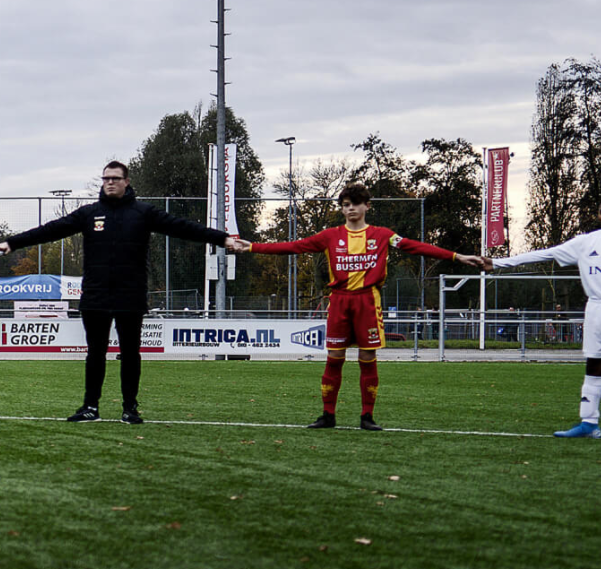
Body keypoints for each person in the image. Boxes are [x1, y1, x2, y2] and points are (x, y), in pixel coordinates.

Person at [0, 160, 238, 424]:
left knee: (130, 353)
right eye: (105, 178)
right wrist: (13, 242)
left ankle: (130, 408)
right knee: (95, 353)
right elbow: (50, 230)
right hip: (95, 296)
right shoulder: (89, 214)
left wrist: (222, 239)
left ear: (126, 181)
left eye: (115, 178)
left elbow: (182, 227)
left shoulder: (143, 213)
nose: (109, 182)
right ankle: (90, 407)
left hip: (130, 296)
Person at [233, 183, 483, 430]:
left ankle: (367, 417)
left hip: (367, 301)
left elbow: (416, 247)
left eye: (355, 204)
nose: (351, 209)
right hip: (339, 301)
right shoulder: (330, 236)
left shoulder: (383, 235)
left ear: (367, 206)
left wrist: (457, 256)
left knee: (367, 357)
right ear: (342, 209)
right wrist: (254, 246)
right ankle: (327, 415)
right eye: (345, 205)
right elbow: (295, 246)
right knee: (334, 358)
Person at [488, 227, 601, 437]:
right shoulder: (586, 242)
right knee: (594, 364)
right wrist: (496, 263)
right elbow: (545, 253)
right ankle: (589, 423)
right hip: (596, 309)